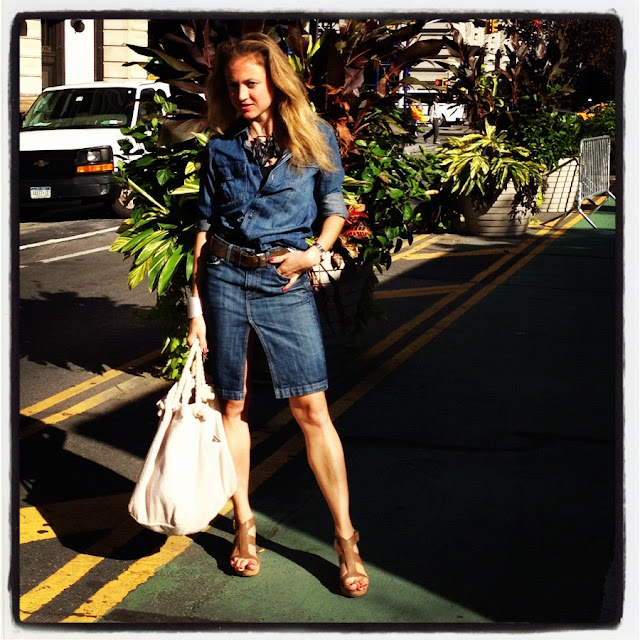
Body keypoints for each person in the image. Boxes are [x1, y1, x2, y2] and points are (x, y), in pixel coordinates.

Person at [186, 33, 369, 598]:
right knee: (232, 404)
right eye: (232, 86)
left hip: (283, 280)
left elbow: (334, 208)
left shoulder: (314, 137)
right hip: (224, 276)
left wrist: (314, 253)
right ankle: (244, 523)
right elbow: (204, 227)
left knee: (311, 407)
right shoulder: (221, 149)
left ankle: (345, 537)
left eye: (251, 84)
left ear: (276, 84)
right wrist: (195, 308)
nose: (241, 94)